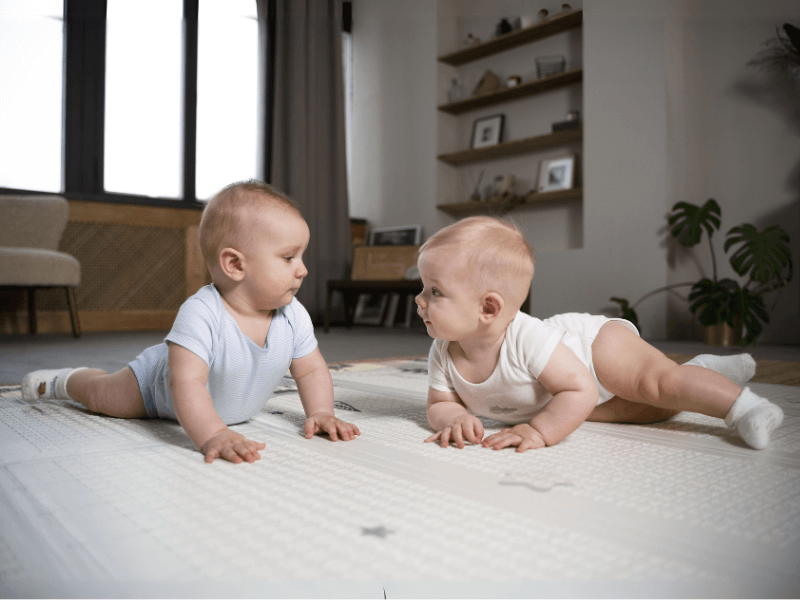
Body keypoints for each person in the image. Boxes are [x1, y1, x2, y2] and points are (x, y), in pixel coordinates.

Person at [21, 180, 360, 463]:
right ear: (235, 265)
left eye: (301, 257)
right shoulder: (202, 312)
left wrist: (321, 411)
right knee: (101, 397)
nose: (302, 269)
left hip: (224, 401)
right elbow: (186, 384)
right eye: (288, 258)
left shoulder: (293, 315)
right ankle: (63, 382)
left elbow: (311, 369)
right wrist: (213, 432)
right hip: (153, 389)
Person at [415, 216, 783, 453]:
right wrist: (453, 418)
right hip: (566, 395)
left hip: (591, 352)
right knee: (651, 410)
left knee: (658, 384)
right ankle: (706, 371)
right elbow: (439, 404)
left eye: (435, 291)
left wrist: (540, 431)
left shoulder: (527, 338)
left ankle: (748, 408)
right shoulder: (444, 350)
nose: (419, 300)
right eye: (423, 286)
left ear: (488, 309)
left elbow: (580, 389)